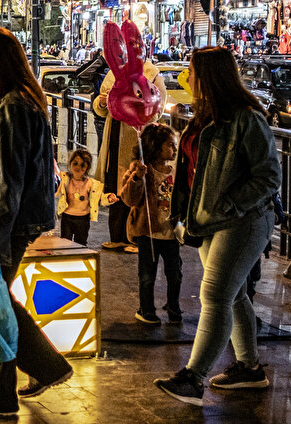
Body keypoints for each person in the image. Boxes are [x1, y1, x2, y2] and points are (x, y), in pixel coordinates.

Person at [0, 27, 72, 417]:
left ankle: (5, 391)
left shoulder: (12, 108)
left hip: (8, 223)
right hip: (12, 222)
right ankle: (21, 379)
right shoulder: (21, 101)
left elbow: (10, 180)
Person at [154, 47, 280, 407]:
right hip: (208, 221)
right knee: (233, 294)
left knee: (215, 295)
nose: (187, 78)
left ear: (208, 77)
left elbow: (268, 176)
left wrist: (229, 204)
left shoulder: (244, 118)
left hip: (242, 221)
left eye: (191, 72)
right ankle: (249, 368)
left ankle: (193, 378)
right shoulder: (204, 117)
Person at [93, 29, 165, 252]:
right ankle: (117, 236)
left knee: (136, 185)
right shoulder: (113, 73)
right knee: (114, 183)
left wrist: (137, 106)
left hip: (137, 137)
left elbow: (158, 107)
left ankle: (135, 237)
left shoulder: (151, 72)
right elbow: (100, 104)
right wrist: (103, 103)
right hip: (114, 134)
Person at [123, 123, 183, 326]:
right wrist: (137, 178)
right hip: (147, 231)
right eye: (170, 145)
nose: (174, 150)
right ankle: (146, 310)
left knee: (175, 274)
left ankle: (173, 307)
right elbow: (130, 199)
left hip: (171, 233)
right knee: (147, 275)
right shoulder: (140, 169)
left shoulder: (177, 172)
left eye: (175, 146)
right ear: (155, 147)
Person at [55, 147, 102, 246]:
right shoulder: (65, 179)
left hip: (83, 219)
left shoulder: (90, 183)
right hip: (67, 217)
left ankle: (80, 260)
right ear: (70, 164)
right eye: (75, 163)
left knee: (80, 243)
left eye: (82, 165)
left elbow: (99, 197)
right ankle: (66, 260)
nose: (78, 167)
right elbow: (55, 191)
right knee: (64, 242)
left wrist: (109, 198)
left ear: (87, 168)